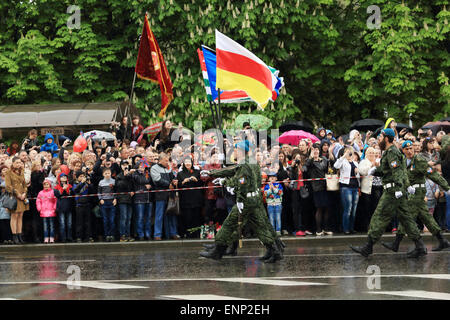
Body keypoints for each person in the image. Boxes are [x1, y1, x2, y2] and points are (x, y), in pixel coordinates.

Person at [199, 141, 283, 263]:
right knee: (261, 225)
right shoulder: (250, 162)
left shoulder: (245, 165)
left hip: (246, 201)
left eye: (236, 149)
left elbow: (241, 183)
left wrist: (226, 185)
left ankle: (218, 250)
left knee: (229, 224)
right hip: (254, 199)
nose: (235, 151)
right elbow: (234, 170)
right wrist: (213, 173)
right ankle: (274, 250)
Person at [350, 129, 426, 258]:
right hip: (395, 190)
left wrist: (398, 188)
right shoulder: (390, 152)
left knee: (379, 217)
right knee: (406, 219)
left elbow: (397, 172)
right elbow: (389, 171)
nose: (379, 139)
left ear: (386, 138)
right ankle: (420, 246)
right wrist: (375, 171)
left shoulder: (392, 152)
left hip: (392, 191)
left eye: (380, 137)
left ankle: (368, 247)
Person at [382, 141, 450, 252]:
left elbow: (433, 174)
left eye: (411, 148)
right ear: (402, 151)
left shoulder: (419, 160)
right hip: (410, 191)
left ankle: (397, 243)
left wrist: (447, 187)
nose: (409, 151)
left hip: (417, 192)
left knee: (406, 216)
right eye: (406, 149)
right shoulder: (403, 162)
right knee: (426, 217)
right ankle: (442, 241)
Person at [304, 143, 331, 236]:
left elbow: (328, 167)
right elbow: (304, 169)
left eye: (317, 149)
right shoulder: (309, 161)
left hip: (326, 186)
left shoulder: (324, 159)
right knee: (319, 208)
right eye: (314, 149)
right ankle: (318, 230)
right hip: (316, 188)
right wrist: (311, 158)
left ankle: (326, 228)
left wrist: (330, 152)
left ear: (319, 151)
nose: (315, 151)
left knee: (327, 208)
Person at [151, 153, 178, 240]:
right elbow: (157, 180)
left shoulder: (168, 168)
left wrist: (174, 181)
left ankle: (173, 233)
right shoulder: (154, 168)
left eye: (168, 160)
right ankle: (157, 234)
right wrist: (168, 184)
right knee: (159, 215)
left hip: (170, 195)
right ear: (160, 160)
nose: (167, 162)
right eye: (166, 160)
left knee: (171, 214)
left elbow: (173, 177)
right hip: (160, 195)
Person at [334, 147, 360, 234]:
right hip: (346, 187)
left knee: (354, 209)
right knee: (347, 208)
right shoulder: (343, 162)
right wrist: (343, 156)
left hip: (355, 187)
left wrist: (357, 172)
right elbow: (336, 166)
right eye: (347, 152)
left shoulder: (355, 162)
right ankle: (345, 228)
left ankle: (351, 227)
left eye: (351, 152)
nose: (349, 153)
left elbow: (359, 176)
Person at [177, 157, 204, 238]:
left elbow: (201, 183)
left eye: (189, 162)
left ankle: (196, 234)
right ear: (183, 164)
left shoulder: (197, 172)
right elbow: (178, 186)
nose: (188, 163)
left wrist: (196, 180)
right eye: (186, 162)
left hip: (196, 199)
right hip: (185, 199)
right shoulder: (180, 173)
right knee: (187, 217)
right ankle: (187, 234)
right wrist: (183, 182)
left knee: (196, 217)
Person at [5, 157, 29, 244]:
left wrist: (24, 193)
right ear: (13, 163)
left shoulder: (21, 172)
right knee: (14, 216)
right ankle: (14, 236)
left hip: (22, 197)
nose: (19, 164)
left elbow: (25, 185)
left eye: (20, 163)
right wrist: (17, 194)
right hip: (14, 197)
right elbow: (8, 186)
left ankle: (19, 235)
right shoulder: (8, 172)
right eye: (17, 162)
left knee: (20, 216)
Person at [132, 159, 153, 241]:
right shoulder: (135, 174)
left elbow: (151, 182)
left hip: (148, 198)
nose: (142, 168)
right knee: (140, 218)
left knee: (148, 218)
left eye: (143, 166)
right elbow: (140, 180)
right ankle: (140, 234)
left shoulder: (148, 173)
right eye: (140, 166)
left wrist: (150, 185)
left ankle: (147, 234)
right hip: (139, 199)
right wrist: (146, 184)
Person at [73, 171, 95, 243]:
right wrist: (81, 183)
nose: (82, 178)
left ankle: (88, 236)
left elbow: (92, 191)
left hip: (87, 204)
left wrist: (90, 184)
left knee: (88, 222)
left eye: (83, 176)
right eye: (80, 176)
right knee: (79, 222)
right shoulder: (75, 184)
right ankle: (79, 237)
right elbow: (75, 190)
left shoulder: (86, 184)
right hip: (79, 205)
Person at [115, 161, 134, 242]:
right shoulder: (119, 176)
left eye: (126, 165)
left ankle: (127, 234)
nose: (125, 166)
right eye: (123, 165)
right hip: (122, 199)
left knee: (129, 218)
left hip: (129, 199)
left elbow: (132, 185)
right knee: (123, 218)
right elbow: (120, 186)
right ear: (121, 166)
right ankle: (122, 235)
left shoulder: (130, 176)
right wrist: (125, 176)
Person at [98, 167, 117, 242]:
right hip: (104, 202)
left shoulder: (114, 181)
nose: (107, 175)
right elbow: (99, 192)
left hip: (112, 202)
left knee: (112, 219)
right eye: (105, 173)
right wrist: (100, 199)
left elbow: (116, 191)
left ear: (111, 174)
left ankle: (112, 235)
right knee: (105, 220)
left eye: (108, 173)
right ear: (103, 174)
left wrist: (115, 198)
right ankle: (106, 235)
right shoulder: (101, 182)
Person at [54, 173, 73, 243]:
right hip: (61, 207)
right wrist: (62, 189)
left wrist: (68, 189)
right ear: (59, 178)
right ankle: (63, 238)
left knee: (69, 223)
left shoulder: (70, 186)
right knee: (62, 223)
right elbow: (57, 195)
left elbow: (72, 193)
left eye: (65, 177)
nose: (64, 178)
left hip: (69, 206)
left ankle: (69, 237)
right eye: (62, 177)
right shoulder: (56, 187)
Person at [36, 179, 57, 243]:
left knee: (51, 225)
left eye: (47, 184)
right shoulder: (40, 193)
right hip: (43, 211)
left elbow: (55, 201)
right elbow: (38, 201)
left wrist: (54, 208)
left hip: (51, 211)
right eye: (44, 185)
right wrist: (39, 208)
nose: (46, 186)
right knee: (45, 226)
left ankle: (51, 237)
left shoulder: (53, 192)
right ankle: (46, 237)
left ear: (50, 185)